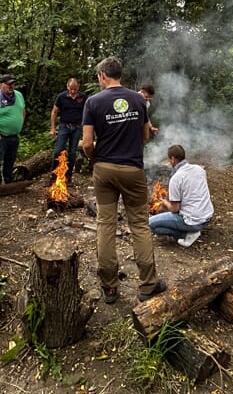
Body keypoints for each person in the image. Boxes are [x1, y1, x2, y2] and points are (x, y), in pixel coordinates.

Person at [82, 57, 167, 304]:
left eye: (98, 76)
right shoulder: (139, 99)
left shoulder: (93, 102)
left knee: (105, 224)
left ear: (102, 76)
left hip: (104, 170)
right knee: (139, 225)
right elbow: (145, 135)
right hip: (132, 170)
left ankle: (109, 286)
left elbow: (87, 143)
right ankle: (148, 284)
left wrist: (95, 157)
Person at [149, 145, 214, 248]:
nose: (169, 162)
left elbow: (175, 209)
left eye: (169, 159)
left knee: (150, 224)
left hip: (192, 221)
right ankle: (191, 230)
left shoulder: (176, 178)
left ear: (173, 159)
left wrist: (164, 202)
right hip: (206, 217)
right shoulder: (199, 169)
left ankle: (186, 234)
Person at [0, 74, 26, 186]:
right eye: (8, 84)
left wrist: (20, 124)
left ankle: (9, 180)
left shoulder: (18, 95)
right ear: (1, 85)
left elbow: (22, 110)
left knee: (11, 159)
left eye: (12, 84)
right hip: (0, 135)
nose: (11, 86)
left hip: (14, 135)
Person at [49, 78, 86, 183]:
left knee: (72, 153)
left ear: (78, 87)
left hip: (77, 127)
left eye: (75, 89)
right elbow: (54, 112)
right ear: (67, 87)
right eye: (71, 89)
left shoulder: (83, 97)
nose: (73, 91)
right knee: (58, 151)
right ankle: (54, 176)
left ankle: (68, 176)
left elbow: (87, 112)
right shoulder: (61, 97)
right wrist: (52, 128)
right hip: (64, 126)